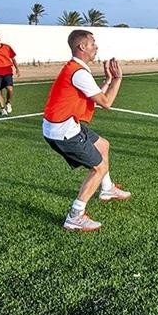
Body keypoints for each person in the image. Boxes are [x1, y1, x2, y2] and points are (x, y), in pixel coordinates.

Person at [43, 29, 131, 232]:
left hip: (65, 124)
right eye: (92, 43)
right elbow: (106, 102)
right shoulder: (79, 72)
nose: (96, 47)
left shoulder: (76, 69)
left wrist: (107, 80)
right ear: (82, 47)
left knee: (103, 145)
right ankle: (75, 216)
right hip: (62, 131)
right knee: (98, 168)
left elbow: (95, 97)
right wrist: (118, 79)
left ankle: (107, 189)